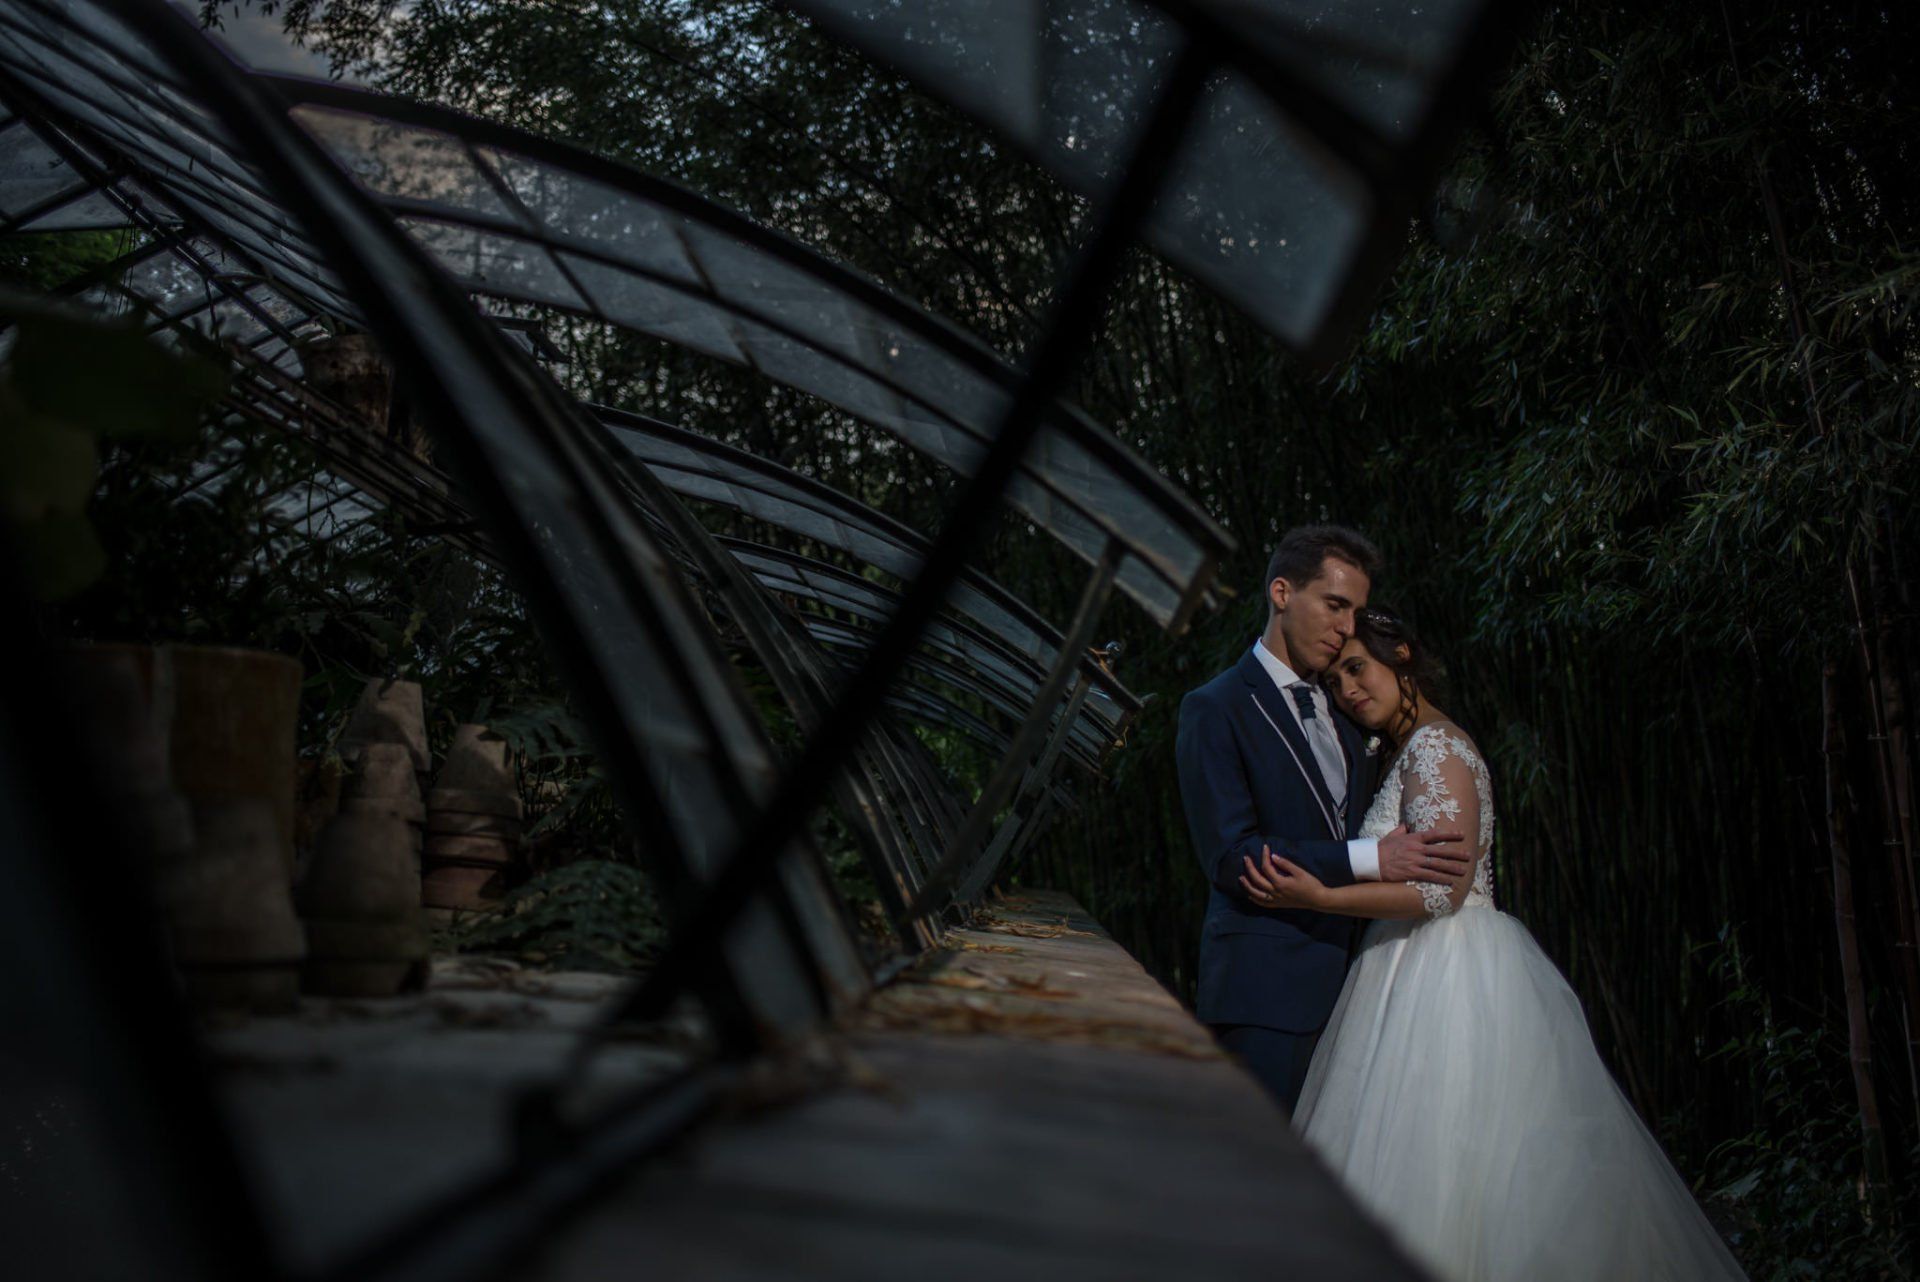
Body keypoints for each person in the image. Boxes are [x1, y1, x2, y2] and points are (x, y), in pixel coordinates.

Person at [1240, 606, 1747, 1281]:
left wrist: (1320, 896)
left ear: (1403, 658)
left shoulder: (1437, 748)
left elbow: (1441, 892)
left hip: (1448, 968)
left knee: (1457, 1162)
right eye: (1334, 681)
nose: (1348, 690)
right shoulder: (1402, 751)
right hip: (1402, 965)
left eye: (1357, 668)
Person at [1175, 525, 1470, 1111]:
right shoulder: (1215, 707)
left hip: (1364, 994)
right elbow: (1233, 856)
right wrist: (1371, 860)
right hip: (1265, 992)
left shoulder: (1350, 709)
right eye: (1334, 605)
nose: (1346, 627)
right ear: (1282, 593)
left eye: (1355, 611)